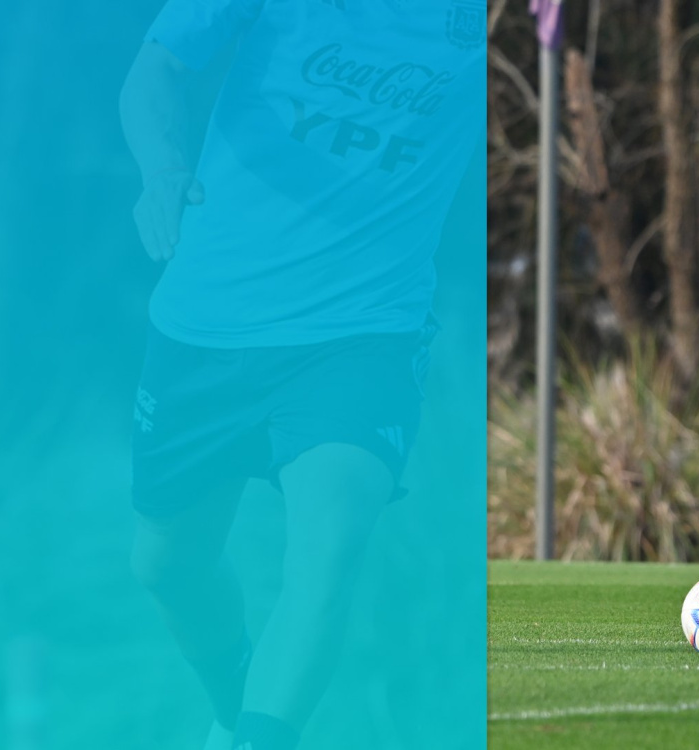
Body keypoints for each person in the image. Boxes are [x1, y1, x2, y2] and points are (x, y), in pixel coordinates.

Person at [119, 1, 483, 748]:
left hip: (363, 334)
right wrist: (162, 171)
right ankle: (235, 709)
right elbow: (155, 70)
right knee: (166, 565)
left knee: (330, 545)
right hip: (206, 325)